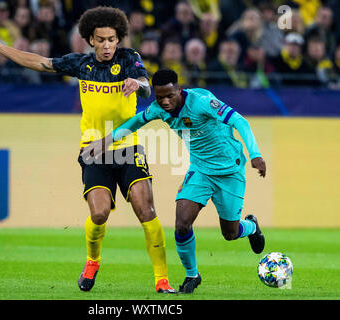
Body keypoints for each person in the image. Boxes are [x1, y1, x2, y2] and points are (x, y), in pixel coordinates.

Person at [0, 6, 175, 294]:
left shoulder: (130, 59)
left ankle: (161, 280)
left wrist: (139, 83)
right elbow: (40, 62)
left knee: (146, 210)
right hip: (93, 149)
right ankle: (92, 262)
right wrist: (0, 47)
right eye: (101, 39)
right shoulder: (80, 65)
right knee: (99, 214)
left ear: (119, 39)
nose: (107, 45)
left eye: (112, 39)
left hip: (128, 147)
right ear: (90, 39)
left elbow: (145, 84)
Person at [82, 68, 266, 294]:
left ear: (179, 89)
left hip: (230, 171)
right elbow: (135, 122)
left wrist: (255, 154)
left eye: (170, 95)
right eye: (160, 97)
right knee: (181, 223)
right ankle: (192, 275)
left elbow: (240, 121)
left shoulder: (201, 103)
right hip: (200, 171)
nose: (165, 102)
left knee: (230, 233)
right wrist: (105, 141)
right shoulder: (159, 109)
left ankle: (251, 227)